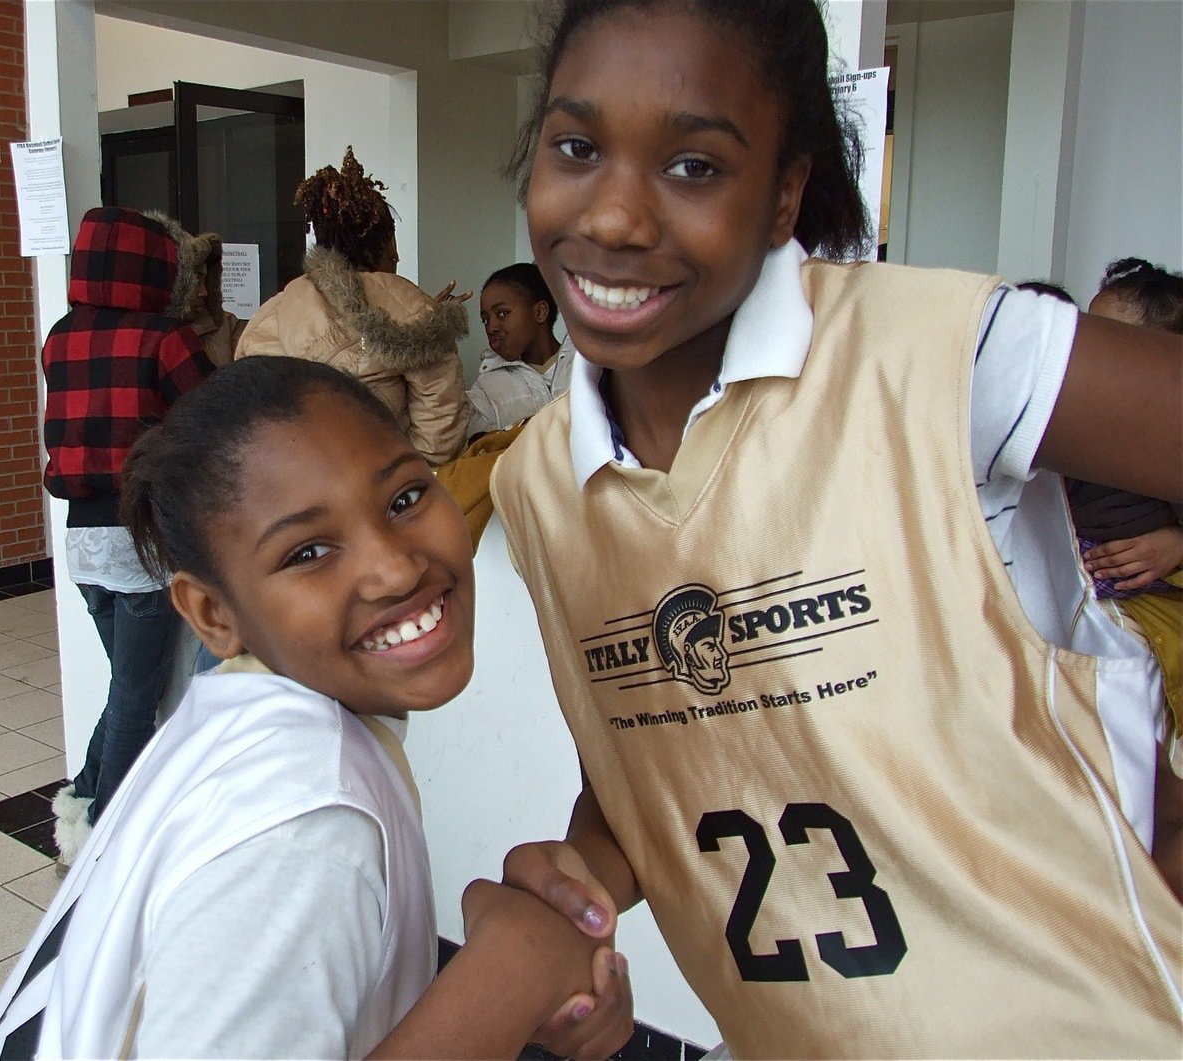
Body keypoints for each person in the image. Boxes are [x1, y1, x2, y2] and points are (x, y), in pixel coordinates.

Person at [486, 1, 1183, 1056]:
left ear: (785, 195)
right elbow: (655, 753)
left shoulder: (944, 357)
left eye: (694, 166)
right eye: (577, 147)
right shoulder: (541, 479)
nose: (617, 216)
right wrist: (582, 877)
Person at [0, 356, 632, 1060]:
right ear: (212, 612)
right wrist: (512, 972)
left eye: (405, 497)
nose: (395, 565)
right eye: (309, 550)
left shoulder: (241, 723)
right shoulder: (301, 819)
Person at [45, 207, 214, 868]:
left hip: (83, 541)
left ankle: (85, 793)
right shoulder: (165, 338)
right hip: (144, 537)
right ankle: (107, 841)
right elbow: (210, 420)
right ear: (162, 266)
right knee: (138, 691)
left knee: (126, 680)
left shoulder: (60, 336)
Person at [236, 146, 470, 466]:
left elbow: (247, 414)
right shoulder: (410, 305)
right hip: (381, 485)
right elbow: (442, 425)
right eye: (393, 240)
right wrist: (404, 484)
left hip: (296, 483)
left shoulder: (271, 314)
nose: (397, 256)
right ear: (384, 242)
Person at [1069, 258, 1183, 897]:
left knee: (1163, 806)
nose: (1088, 350)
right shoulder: (1076, 420)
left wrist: (1175, 543)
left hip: (1159, 627)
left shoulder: (1164, 425)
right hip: (1108, 624)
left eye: (1110, 340)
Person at [467, 262, 570, 438]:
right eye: (486, 320)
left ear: (540, 312)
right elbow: (478, 453)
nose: (491, 327)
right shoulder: (487, 387)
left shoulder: (587, 368)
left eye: (502, 313)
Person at [149, 212, 247, 367]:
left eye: (205, 280)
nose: (204, 292)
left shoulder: (228, 326)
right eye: (193, 281)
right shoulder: (141, 335)